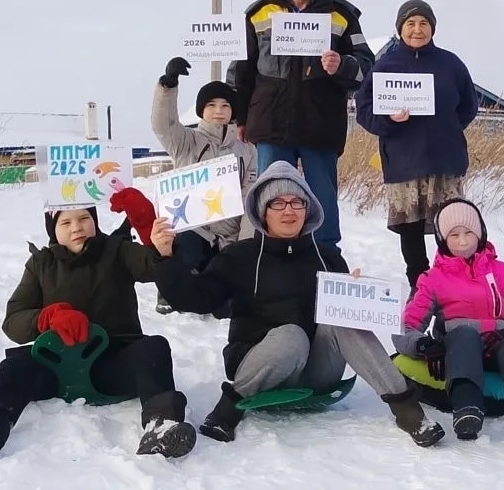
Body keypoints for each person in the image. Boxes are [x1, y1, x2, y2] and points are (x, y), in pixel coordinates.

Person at [151, 160, 447, 448]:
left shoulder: (328, 257)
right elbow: (196, 298)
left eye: (297, 203)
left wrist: (357, 296)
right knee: (291, 335)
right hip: (259, 367)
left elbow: (352, 328)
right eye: (278, 203)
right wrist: (166, 259)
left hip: (316, 369)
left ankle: (409, 413)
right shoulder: (240, 257)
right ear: (262, 211)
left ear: (308, 210)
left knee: (341, 319)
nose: (289, 210)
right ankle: (229, 408)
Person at [0, 206, 195, 461]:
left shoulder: (117, 250)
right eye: (65, 222)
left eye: (84, 218)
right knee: (14, 367)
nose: (76, 227)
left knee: (154, 348)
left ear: (95, 220)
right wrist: (46, 317)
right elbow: (13, 321)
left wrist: (161, 251)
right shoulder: (40, 264)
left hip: (112, 366)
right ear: (52, 228)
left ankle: (160, 426)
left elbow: (151, 265)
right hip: (55, 369)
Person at [226, 0, 375, 252]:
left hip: (320, 125)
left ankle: (326, 259)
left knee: (322, 198)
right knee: (272, 197)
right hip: (271, 125)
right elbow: (241, 71)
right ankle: (269, 258)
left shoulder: (342, 15)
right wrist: (241, 117)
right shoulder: (258, 12)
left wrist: (341, 65)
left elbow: (366, 65)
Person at [394, 198, 504, 444]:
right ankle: (467, 408)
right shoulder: (431, 279)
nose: (463, 241)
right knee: (465, 333)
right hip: (459, 349)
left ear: (481, 233)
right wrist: (423, 345)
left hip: (499, 347)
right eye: (454, 235)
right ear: (442, 239)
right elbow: (405, 326)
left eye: (469, 232)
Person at [354, 0, 478, 291]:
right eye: (410, 23)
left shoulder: (451, 64)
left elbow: (468, 106)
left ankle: (452, 285)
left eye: (424, 23)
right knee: (409, 230)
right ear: (400, 28)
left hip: (445, 161)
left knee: (449, 226)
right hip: (403, 161)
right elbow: (364, 111)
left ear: (432, 28)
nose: (417, 29)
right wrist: (390, 121)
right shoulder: (385, 65)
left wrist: (445, 128)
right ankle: (420, 287)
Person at [137, 55, 258, 314]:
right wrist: (168, 86)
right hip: (192, 230)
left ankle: (216, 292)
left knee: (228, 281)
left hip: (228, 235)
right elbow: (163, 125)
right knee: (186, 248)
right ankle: (169, 289)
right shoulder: (186, 141)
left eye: (225, 105)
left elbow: (250, 197)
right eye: (211, 104)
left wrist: (244, 245)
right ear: (201, 109)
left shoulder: (247, 151)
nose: (218, 110)